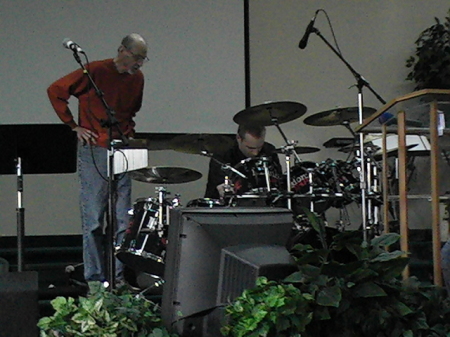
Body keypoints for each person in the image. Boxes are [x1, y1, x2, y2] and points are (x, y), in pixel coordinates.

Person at [47, 33, 148, 284]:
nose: (138, 64)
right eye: (136, 57)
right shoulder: (95, 71)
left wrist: (129, 136)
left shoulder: (138, 79)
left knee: (122, 220)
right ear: (122, 50)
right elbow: (55, 91)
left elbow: (132, 110)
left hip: (123, 149)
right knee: (94, 219)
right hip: (96, 150)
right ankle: (95, 280)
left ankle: (118, 278)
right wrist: (73, 126)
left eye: (143, 59)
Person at [204, 124, 282, 200]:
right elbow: (221, 187)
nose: (255, 153)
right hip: (225, 207)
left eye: (259, 147)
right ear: (239, 138)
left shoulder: (269, 150)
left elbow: (278, 179)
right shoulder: (222, 153)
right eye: (250, 148)